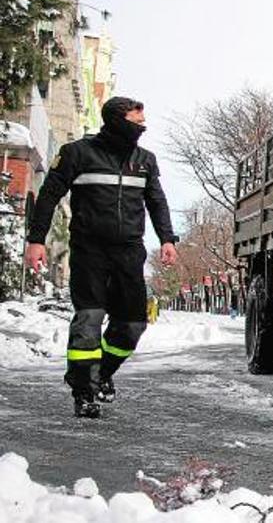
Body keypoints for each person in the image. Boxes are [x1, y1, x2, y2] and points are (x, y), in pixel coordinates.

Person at [24, 97, 178, 418]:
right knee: (89, 320)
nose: (142, 125)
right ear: (116, 120)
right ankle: (84, 391)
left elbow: (157, 202)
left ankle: (102, 372)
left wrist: (167, 239)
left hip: (129, 253)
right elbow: (49, 195)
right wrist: (36, 239)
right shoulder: (77, 153)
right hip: (89, 251)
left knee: (132, 326)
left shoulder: (144, 160)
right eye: (137, 120)